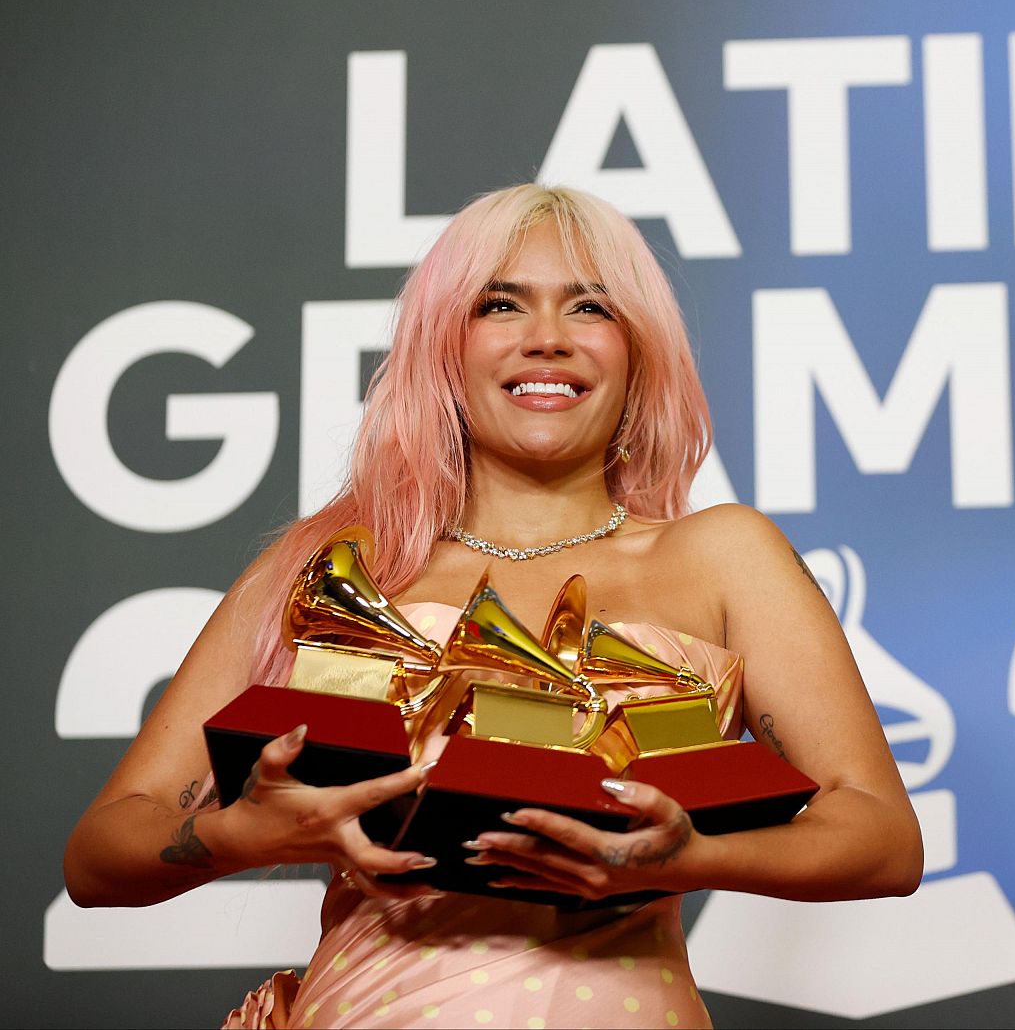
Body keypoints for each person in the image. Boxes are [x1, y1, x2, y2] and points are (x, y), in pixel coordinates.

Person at [62, 184, 923, 1029]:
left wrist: (693, 855)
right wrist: (252, 833)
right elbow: (101, 856)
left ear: (640, 352)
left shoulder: (722, 556)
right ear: (444, 347)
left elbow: (882, 836)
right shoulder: (331, 569)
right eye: (501, 306)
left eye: (591, 308)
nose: (547, 340)